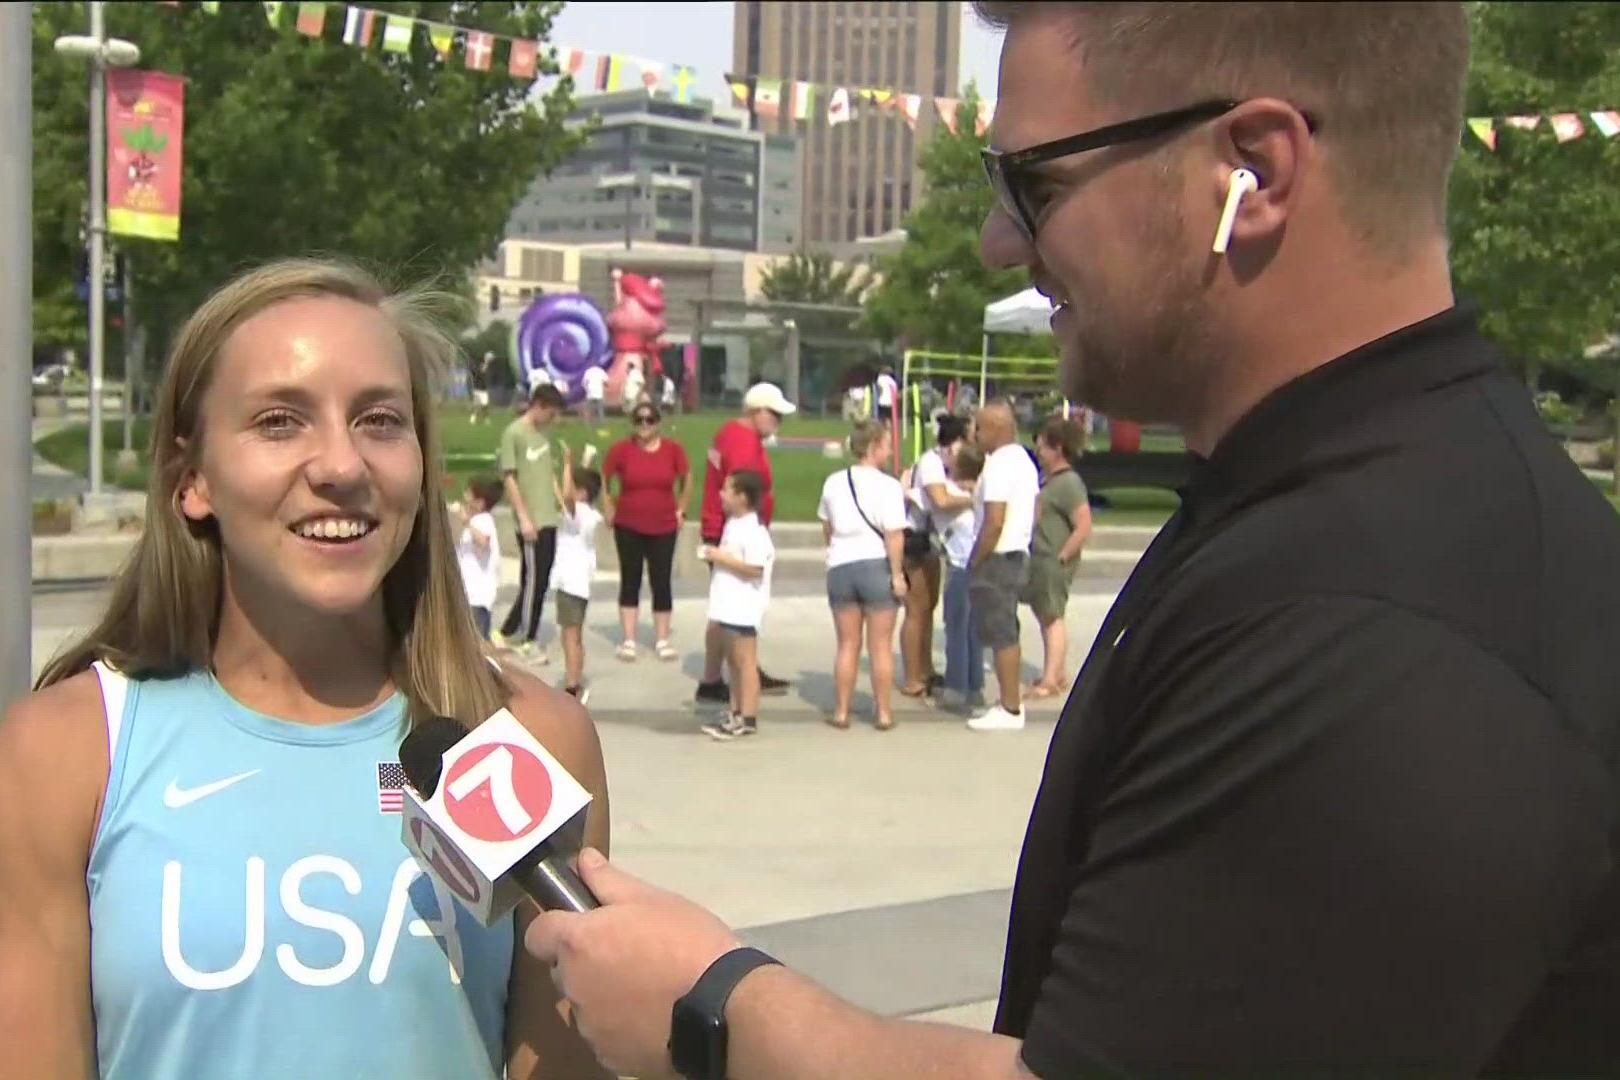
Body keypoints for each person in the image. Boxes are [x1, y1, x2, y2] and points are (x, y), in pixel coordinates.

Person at [517, 6, 1620, 1078]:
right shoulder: (1337, 507)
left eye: (1035, 184)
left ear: (1258, 173)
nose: (1002, 240)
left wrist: (709, 1012)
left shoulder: (1376, 627)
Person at [0, 258, 612, 1080]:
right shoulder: (66, 752)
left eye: (378, 420)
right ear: (192, 478)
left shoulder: (533, 740)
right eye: (278, 421)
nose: (342, 466)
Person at [694, 383, 797, 708]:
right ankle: (735, 672)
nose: (778, 422)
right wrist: (751, 530)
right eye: (776, 415)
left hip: (723, 529)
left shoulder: (730, 434)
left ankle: (726, 673)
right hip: (733, 533)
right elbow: (743, 491)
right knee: (738, 610)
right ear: (759, 411)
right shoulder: (743, 443)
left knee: (724, 606)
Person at [816, 422, 910, 731]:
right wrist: (897, 575)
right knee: (880, 645)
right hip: (875, 565)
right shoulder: (889, 486)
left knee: (847, 644)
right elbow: (893, 535)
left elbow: (827, 527)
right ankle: (882, 712)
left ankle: (841, 711)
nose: (891, 449)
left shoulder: (833, 482)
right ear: (873, 447)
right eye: (886, 443)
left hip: (841, 566)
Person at [962, 403, 1040, 732]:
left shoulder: (998, 467)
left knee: (1001, 632)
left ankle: (1010, 707)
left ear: (996, 428)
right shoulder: (1024, 461)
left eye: (979, 428)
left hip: (997, 556)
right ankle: (1008, 701)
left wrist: (975, 560)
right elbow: (1035, 510)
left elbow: (994, 521)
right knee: (1004, 628)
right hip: (1017, 550)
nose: (974, 435)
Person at [601, 402, 690, 661]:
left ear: (657, 423)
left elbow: (686, 478)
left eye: (649, 420)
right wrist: (608, 507)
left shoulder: (673, 450)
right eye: (639, 420)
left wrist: (681, 509)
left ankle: (662, 638)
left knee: (661, 580)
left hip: (663, 523)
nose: (644, 426)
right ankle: (629, 639)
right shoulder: (621, 450)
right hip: (628, 522)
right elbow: (606, 478)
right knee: (631, 579)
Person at [697, 469, 773, 742]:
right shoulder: (732, 524)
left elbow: (754, 568)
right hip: (727, 605)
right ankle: (735, 710)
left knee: (745, 662)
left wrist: (719, 556)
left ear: (742, 497)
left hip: (744, 607)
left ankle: (748, 717)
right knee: (733, 662)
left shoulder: (754, 530)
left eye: (727, 490)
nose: (721, 494)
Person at [899, 414, 972, 696]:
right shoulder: (930, 463)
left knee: (928, 606)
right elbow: (940, 500)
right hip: (914, 539)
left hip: (932, 541)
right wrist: (974, 497)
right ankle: (911, 676)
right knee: (916, 609)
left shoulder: (948, 464)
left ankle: (925, 668)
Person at [496, 382, 566, 663]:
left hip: (548, 516)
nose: (554, 419)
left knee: (540, 579)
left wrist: (560, 500)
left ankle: (507, 631)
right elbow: (510, 477)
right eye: (551, 413)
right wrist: (523, 517)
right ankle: (528, 638)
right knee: (533, 581)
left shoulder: (543, 435)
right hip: (531, 520)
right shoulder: (514, 434)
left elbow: (547, 473)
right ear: (538, 406)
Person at [1023, 415, 1092, 697]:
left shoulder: (1069, 484)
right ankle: (1056, 672)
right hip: (1042, 557)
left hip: (1053, 559)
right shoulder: (1051, 481)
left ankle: (1050, 679)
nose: (1038, 453)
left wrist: (1062, 556)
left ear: (1058, 448)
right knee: (1046, 616)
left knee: (1052, 619)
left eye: (1042, 448)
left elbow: (1084, 524)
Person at [936, 444, 989, 713]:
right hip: (979, 565)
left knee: (957, 627)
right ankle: (975, 686)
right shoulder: (985, 492)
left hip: (960, 565)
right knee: (973, 630)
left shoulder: (955, 492)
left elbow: (930, 498)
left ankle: (957, 687)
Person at [551, 448, 605, 703]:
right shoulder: (590, 514)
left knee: (570, 636)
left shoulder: (581, 513)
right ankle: (575, 679)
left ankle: (572, 685)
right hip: (575, 583)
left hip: (571, 584)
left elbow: (567, 498)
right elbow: (563, 497)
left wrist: (568, 463)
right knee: (571, 635)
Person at [456, 475, 504, 640]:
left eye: (469, 494)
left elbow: (483, 541)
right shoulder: (478, 520)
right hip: (469, 596)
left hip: (476, 598)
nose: (464, 497)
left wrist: (467, 523)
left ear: (480, 503)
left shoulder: (483, 521)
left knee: (476, 647)